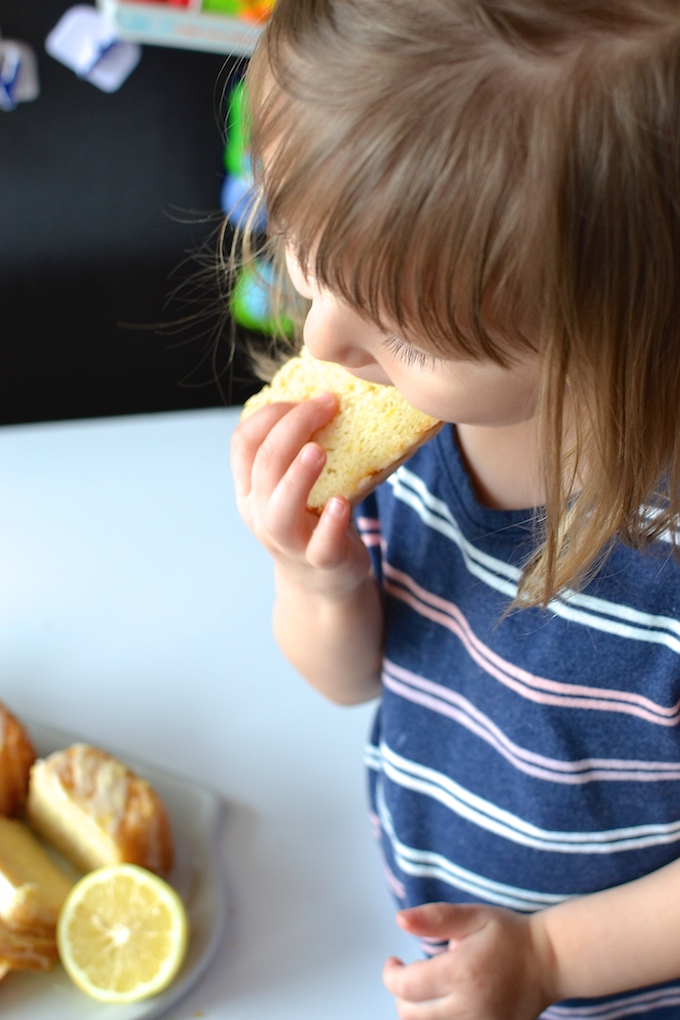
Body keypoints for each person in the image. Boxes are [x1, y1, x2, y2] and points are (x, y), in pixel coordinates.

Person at [230, 1, 680, 1017]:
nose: (327, 340)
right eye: (303, 246)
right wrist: (315, 581)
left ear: (620, 328)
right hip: (461, 938)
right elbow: (350, 683)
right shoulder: (408, 443)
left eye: (406, 331)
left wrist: (550, 962)